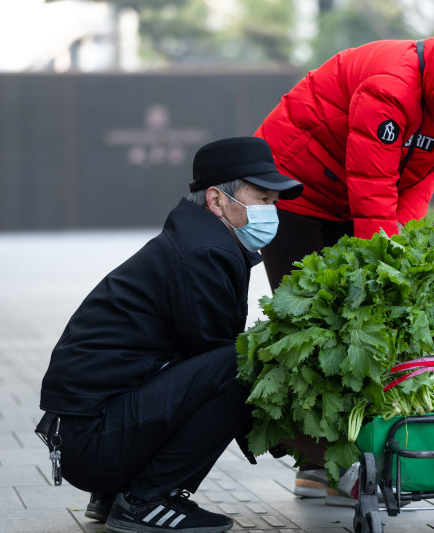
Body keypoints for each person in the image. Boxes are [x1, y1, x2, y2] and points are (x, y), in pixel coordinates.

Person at [254, 8, 434, 502]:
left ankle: (348, 455)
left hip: (348, 192)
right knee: (321, 326)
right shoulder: (391, 85)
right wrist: (383, 269)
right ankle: (318, 464)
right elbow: (373, 184)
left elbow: (418, 178)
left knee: (362, 324)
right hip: (295, 186)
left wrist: (402, 249)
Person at [36, 137, 303, 533]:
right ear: (216, 201)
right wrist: (287, 436)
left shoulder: (202, 241)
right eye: (262, 199)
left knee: (233, 361)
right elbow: (219, 369)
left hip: (88, 438)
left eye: (274, 201)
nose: (272, 211)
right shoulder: (204, 253)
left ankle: (117, 492)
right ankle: (145, 500)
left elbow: (190, 368)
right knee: (244, 362)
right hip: (92, 444)